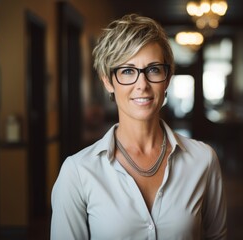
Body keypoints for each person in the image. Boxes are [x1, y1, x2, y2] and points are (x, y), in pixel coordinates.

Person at [51, 13, 227, 240]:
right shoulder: (77, 172)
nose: (142, 85)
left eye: (153, 69)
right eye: (127, 71)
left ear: (167, 78)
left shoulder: (204, 160)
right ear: (107, 80)